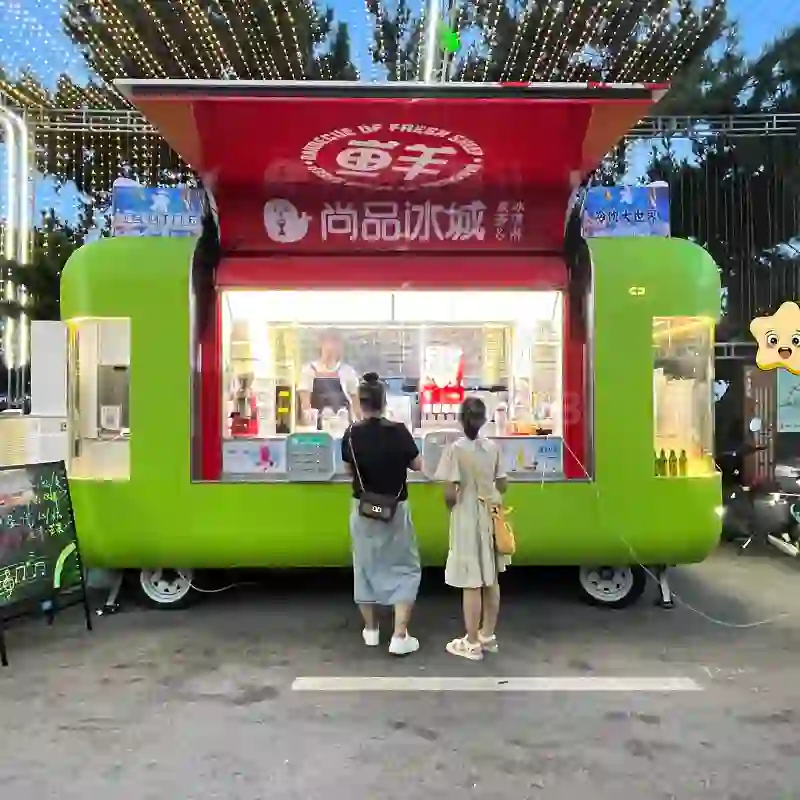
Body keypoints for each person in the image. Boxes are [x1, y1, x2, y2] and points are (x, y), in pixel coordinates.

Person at [341, 372, 423, 655]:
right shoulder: (398, 431)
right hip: (395, 510)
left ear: (361, 403)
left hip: (364, 510)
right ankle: (400, 635)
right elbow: (418, 464)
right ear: (384, 401)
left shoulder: (350, 434)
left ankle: (371, 631)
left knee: (364, 567)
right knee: (405, 567)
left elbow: (348, 471)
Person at [435, 396, 509, 661]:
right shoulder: (493, 448)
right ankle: (488, 635)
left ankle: (472, 642)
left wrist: (453, 501)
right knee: (491, 578)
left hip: (467, 517)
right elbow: (503, 485)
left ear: (460, 419)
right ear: (484, 420)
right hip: (491, 513)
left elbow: (449, 493)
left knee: (471, 581)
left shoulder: (455, 449)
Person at [297, 330, 360, 427]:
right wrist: (309, 422)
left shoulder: (347, 371)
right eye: (329, 342)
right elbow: (305, 404)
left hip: (343, 425)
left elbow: (356, 403)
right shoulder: (309, 370)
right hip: (318, 428)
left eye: (336, 343)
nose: (332, 347)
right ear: (321, 344)